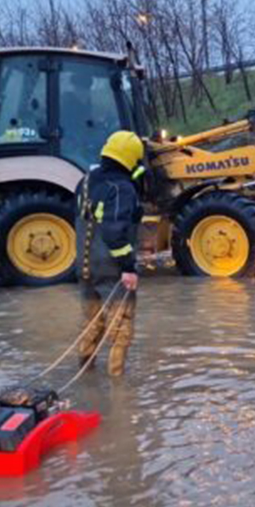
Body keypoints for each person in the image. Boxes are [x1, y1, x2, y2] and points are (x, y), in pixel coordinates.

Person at [76, 130, 146, 377]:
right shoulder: (122, 188)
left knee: (91, 324)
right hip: (110, 268)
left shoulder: (87, 179)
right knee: (121, 329)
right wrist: (128, 267)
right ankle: (119, 392)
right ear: (131, 159)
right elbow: (115, 232)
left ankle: (86, 374)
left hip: (84, 266)